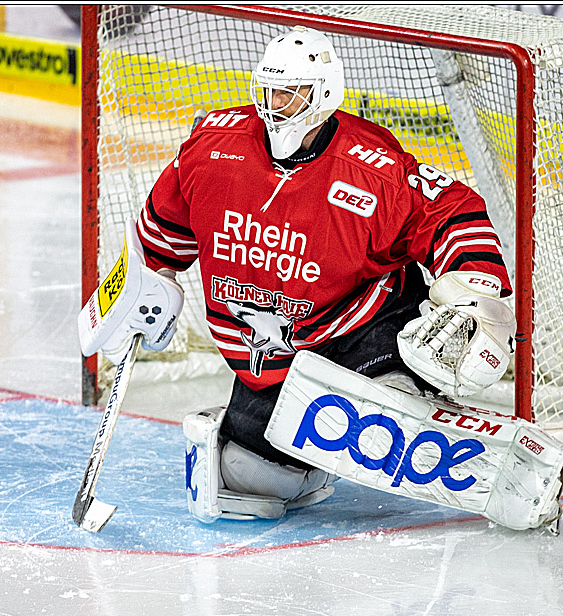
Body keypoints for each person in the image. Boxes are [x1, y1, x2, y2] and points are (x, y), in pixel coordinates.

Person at [82, 25, 520, 522]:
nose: (277, 104)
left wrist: (477, 294)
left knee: (384, 418)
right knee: (252, 481)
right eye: (270, 90)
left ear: (325, 93)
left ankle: (410, 394)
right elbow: (159, 236)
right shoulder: (212, 150)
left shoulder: (369, 168)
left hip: (359, 335)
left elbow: (450, 211)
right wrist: (131, 293)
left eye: (292, 93)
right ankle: (307, 453)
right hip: (267, 361)